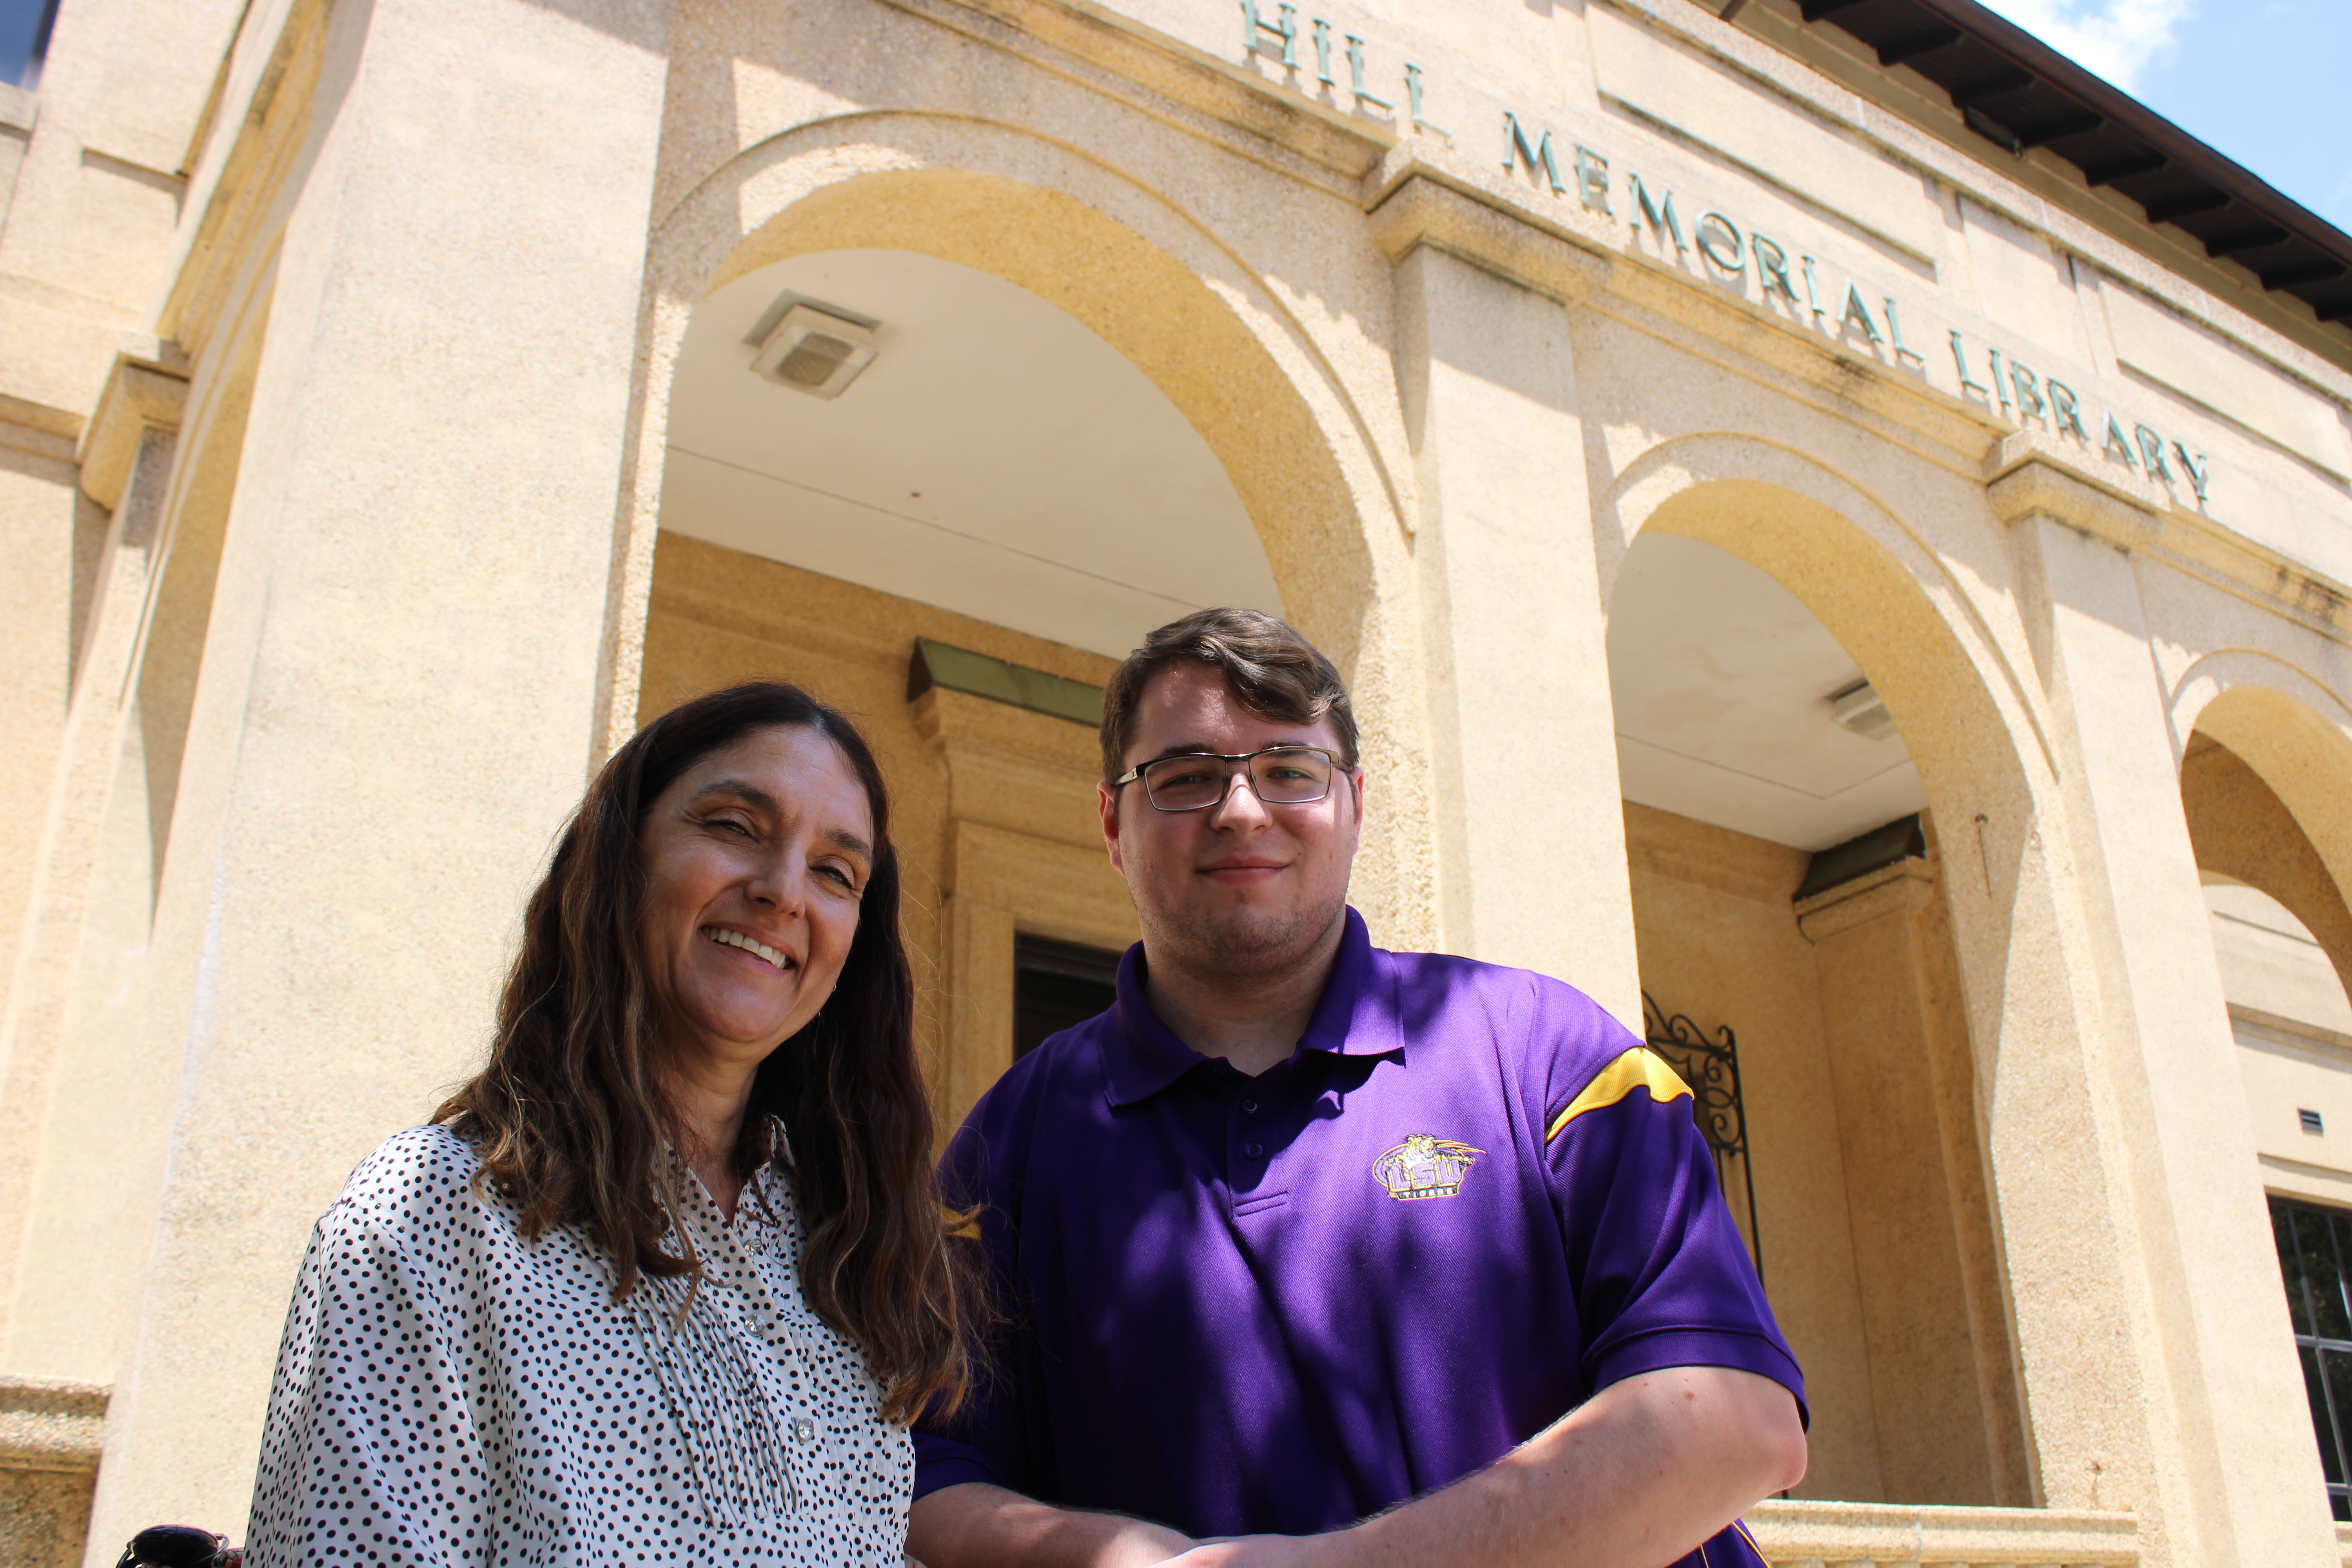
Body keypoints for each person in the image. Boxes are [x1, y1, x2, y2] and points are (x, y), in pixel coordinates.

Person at [907, 610, 1808, 1568]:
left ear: (1356, 804)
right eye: (1184, 778)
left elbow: (1738, 1420)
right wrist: (1114, 1556)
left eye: (1291, 769)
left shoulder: (1557, 1059)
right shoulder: (1012, 1140)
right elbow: (918, 1474)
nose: (1242, 810)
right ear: (1111, 824)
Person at [245, 682, 973, 1566]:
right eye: (736, 825)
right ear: (621, 857)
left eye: (835, 872)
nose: (784, 891)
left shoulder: (841, 1255)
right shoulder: (434, 1218)